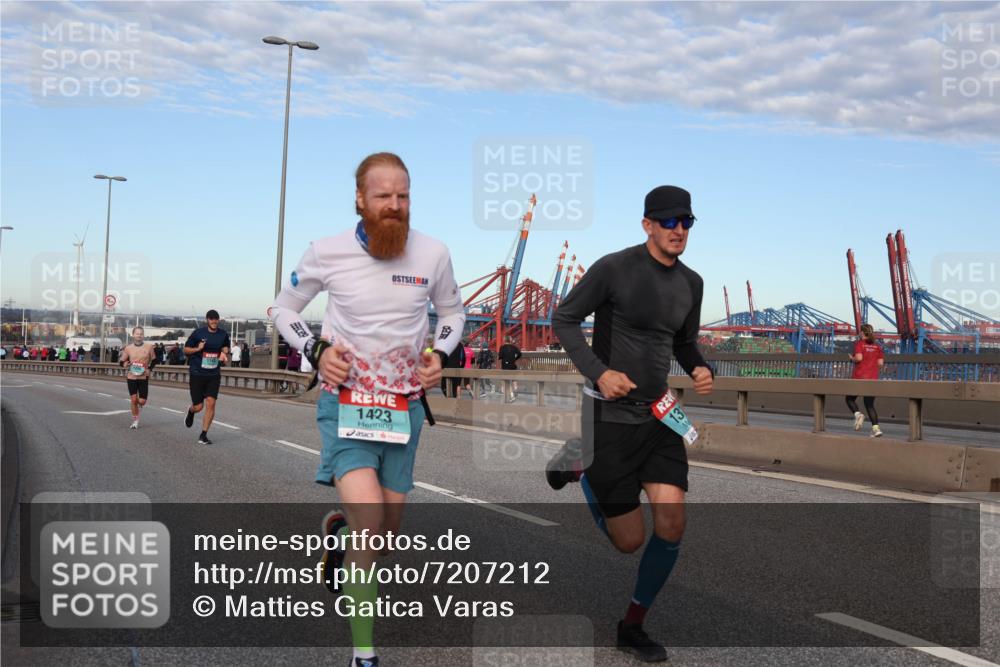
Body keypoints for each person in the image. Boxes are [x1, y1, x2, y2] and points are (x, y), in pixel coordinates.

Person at [269, 152, 465, 667]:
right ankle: (363, 654)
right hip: (347, 403)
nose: (395, 207)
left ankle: (340, 532)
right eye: (383, 197)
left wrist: (438, 354)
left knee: (384, 532)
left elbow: (452, 312)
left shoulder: (434, 253)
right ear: (360, 199)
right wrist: (315, 350)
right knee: (373, 521)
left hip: (405, 408)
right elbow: (283, 308)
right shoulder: (326, 251)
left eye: (403, 196)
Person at [549, 185, 714, 662]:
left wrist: (700, 366)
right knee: (629, 542)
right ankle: (580, 465)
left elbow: (683, 343)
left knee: (673, 523)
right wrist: (600, 372)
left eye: (686, 221)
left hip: (659, 417)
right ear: (647, 225)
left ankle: (632, 626)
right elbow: (563, 320)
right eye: (668, 221)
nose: (678, 229)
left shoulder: (693, 283)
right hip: (608, 418)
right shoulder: (614, 268)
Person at [183, 310, 230, 445]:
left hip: (213, 374)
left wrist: (225, 351)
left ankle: (203, 435)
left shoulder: (223, 334)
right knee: (199, 407)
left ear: (218, 320)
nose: (214, 321)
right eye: (211, 319)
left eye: (216, 319)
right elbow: (186, 350)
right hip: (197, 373)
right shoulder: (199, 333)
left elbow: (226, 347)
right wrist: (197, 349)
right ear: (207, 320)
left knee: (211, 403)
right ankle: (191, 411)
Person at [847, 323, 885, 438]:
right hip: (872, 378)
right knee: (869, 405)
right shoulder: (877, 346)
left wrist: (852, 359)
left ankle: (858, 415)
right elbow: (880, 364)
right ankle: (876, 429)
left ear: (862, 333)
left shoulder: (860, 344)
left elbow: (859, 358)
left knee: (849, 399)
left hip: (859, 377)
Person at [119, 326, 158, 430]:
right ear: (133, 335)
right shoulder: (128, 348)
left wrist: (149, 368)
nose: (139, 335)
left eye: (141, 333)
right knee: (133, 399)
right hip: (131, 376)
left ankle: (139, 405)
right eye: (137, 333)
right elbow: (121, 361)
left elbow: (154, 360)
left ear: (143, 335)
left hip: (143, 376)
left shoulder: (149, 347)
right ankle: (135, 420)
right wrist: (125, 364)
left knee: (142, 401)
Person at [498, 337, 521, 402]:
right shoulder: (514, 347)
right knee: (513, 378)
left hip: (505, 366)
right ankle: (516, 389)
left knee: (507, 381)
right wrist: (515, 359)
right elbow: (519, 354)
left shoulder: (502, 347)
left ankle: (512, 396)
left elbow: (500, 356)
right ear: (510, 340)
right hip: (513, 365)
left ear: (504, 340)